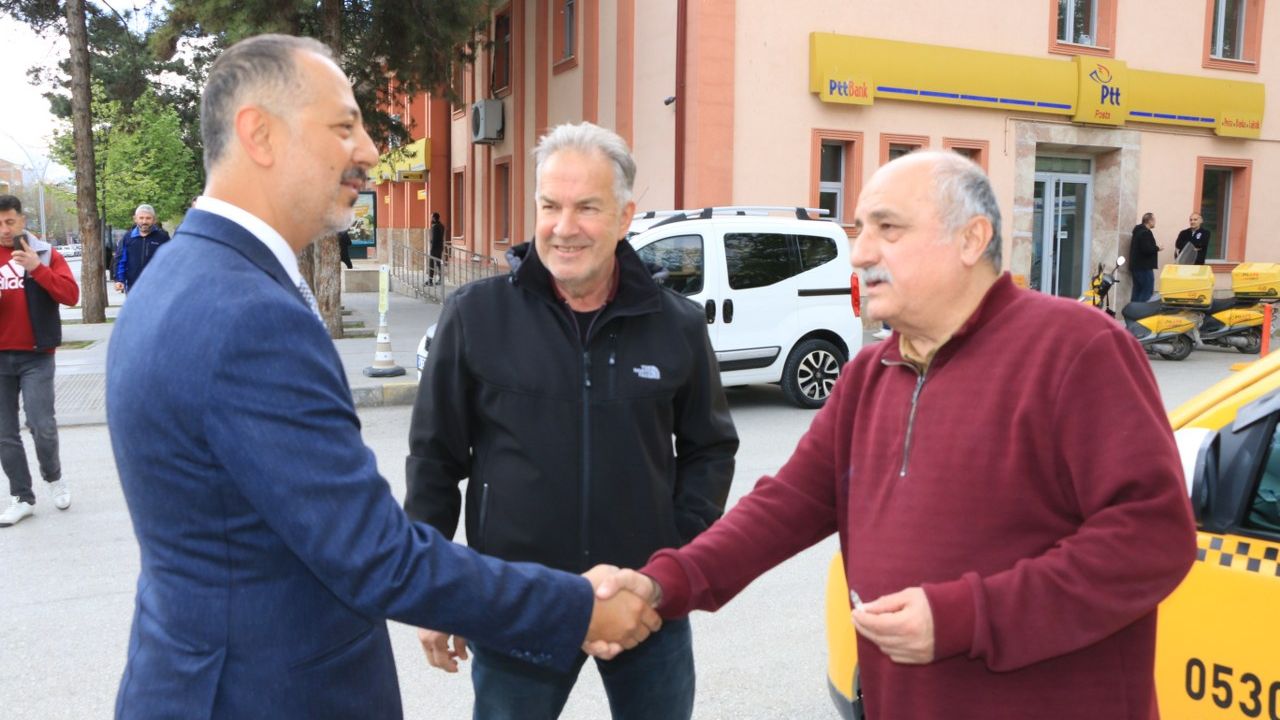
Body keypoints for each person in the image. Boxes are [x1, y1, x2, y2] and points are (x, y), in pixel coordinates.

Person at [106, 35, 659, 720]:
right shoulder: (247, 313)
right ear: (260, 133)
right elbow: (373, 552)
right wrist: (577, 607)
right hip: (264, 696)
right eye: (344, 126)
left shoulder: (185, 274)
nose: (368, 150)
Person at [598, 151, 1198, 719]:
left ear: (971, 240)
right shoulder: (869, 373)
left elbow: (1151, 537)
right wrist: (661, 583)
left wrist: (967, 616)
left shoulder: (1078, 348)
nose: (859, 253)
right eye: (860, 230)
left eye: (887, 229)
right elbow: (783, 507)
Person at [405, 121, 739, 720]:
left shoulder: (678, 325)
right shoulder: (475, 316)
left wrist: (671, 557)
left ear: (625, 215)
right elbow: (434, 461)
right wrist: (431, 591)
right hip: (517, 601)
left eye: (587, 207)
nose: (564, 227)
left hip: (644, 601)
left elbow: (709, 449)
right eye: (550, 206)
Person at [0, 194, 80, 527]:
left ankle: (54, 477)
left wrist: (37, 268)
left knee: (41, 425)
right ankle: (22, 497)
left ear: (23, 220)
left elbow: (71, 296)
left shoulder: (45, 253)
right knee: (4, 433)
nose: (4, 229)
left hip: (36, 355)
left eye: (10, 222)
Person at [114, 203, 171, 292]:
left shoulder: (163, 237)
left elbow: (169, 260)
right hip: (133, 285)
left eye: (148, 218)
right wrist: (120, 280)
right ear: (135, 219)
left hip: (157, 286)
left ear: (154, 220)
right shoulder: (128, 237)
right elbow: (121, 260)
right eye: (141, 218)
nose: (144, 221)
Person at [1129, 212, 1160, 302]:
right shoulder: (1145, 232)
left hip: (1137, 267)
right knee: (1147, 291)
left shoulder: (1138, 231)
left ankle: (1133, 310)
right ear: (1149, 221)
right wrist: (1158, 248)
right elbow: (1146, 249)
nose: (1155, 222)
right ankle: (1141, 310)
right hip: (1144, 267)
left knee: (1137, 290)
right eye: (1154, 220)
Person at [427, 211, 444, 285]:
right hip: (440, 247)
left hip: (434, 248)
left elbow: (434, 239)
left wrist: (432, 248)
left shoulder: (435, 226)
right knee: (439, 264)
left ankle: (430, 281)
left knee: (431, 264)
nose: (430, 218)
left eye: (431, 217)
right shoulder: (442, 226)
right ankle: (441, 279)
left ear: (434, 218)